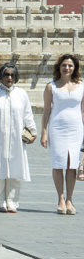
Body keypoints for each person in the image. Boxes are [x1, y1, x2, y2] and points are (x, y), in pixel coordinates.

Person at [0, 63, 36, 213]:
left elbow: (28, 114)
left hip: (16, 138)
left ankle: (12, 202)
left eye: (12, 75)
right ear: (1, 76)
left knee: (15, 169)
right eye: (6, 74)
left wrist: (33, 131)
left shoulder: (21, 94)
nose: (9, 77)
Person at [40, 54, 84, 215]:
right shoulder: (51, 86)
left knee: (72, 165)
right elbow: (46, 111)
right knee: (58, 163)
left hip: (76, 129)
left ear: (75, 68)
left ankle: (69, 200)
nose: (67, 68)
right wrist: (43, 132)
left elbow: (83, 111)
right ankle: (60, 198)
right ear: (59, 67)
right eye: (64, 65)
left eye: (70, 66)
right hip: (57, 128)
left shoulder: (82, 86)